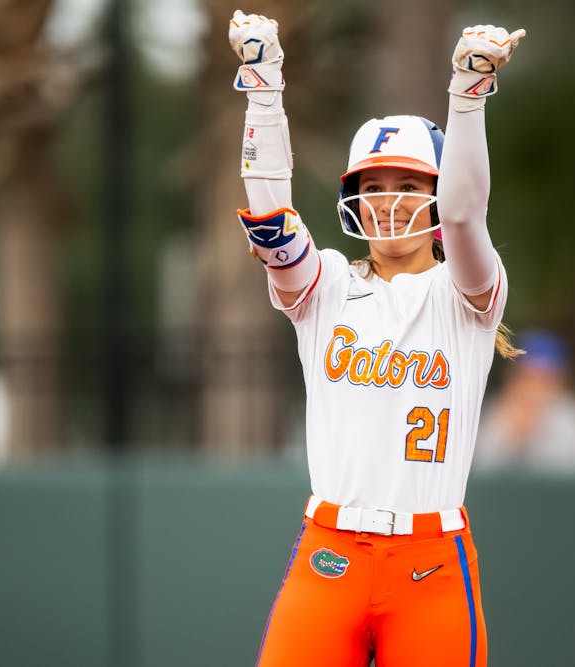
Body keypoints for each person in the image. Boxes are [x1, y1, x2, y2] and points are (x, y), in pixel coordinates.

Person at [227, 11, 525, 666]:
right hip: (329, 549)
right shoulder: (328, 283)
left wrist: (467, 94)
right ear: (354, 200)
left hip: (430, 563)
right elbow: (272, 221)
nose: (390, 201)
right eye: (375, 186)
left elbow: (466, 212)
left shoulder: (465, 293)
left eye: (409, 184)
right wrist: (261, 85)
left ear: (436, 191)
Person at [474, 329, 575, 474]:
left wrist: (533, 431)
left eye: (544, 379)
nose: (534, 387)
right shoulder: (497, 410)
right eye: (527, 377)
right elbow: (478, 468)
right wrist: (512, 437)